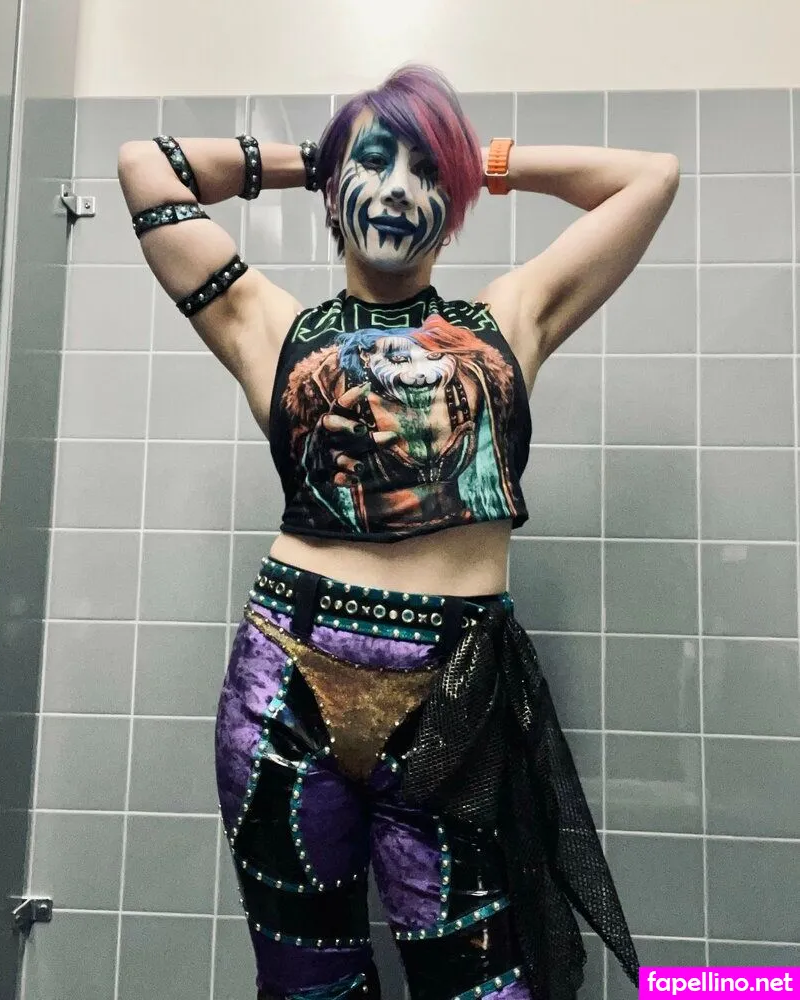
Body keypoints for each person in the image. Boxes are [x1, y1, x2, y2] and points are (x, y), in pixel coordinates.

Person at [117, 63, 679, 1000]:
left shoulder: (511, 320)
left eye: (425, 172)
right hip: (283, 687)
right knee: (309, 985)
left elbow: (650, 177)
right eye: (374, 164)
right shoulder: (267, 326)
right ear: (336, 192)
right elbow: (147, 165)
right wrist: (323, 157)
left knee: (482, 984)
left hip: (452, 698)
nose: (397, 188)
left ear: (449, 205)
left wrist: (476, 161)